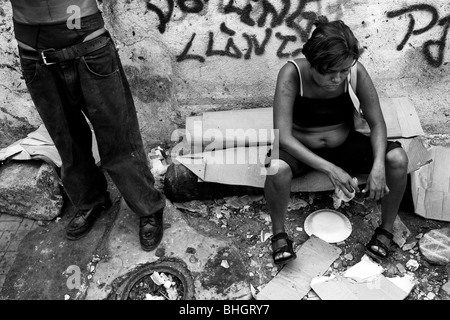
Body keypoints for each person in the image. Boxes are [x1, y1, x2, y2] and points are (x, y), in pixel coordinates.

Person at [9, 0, 166, 251]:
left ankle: (147, 205)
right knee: (65, 136)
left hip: (88, 42)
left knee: (118, 135)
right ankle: (91, 200)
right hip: (34, 51)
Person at [264, 17, 408, 265]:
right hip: (301, 148)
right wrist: (331, 169)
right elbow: (283, 137)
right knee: (276, 169)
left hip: (344, 144)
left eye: (343, 70)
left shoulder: (354, 71)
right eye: (330, 72)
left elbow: (377, 123)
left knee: (397, 158)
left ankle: (385, 231)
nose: (338, 78)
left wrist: (378, 167)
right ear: (313, 63)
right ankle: (279, 234)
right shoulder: (291, 73)